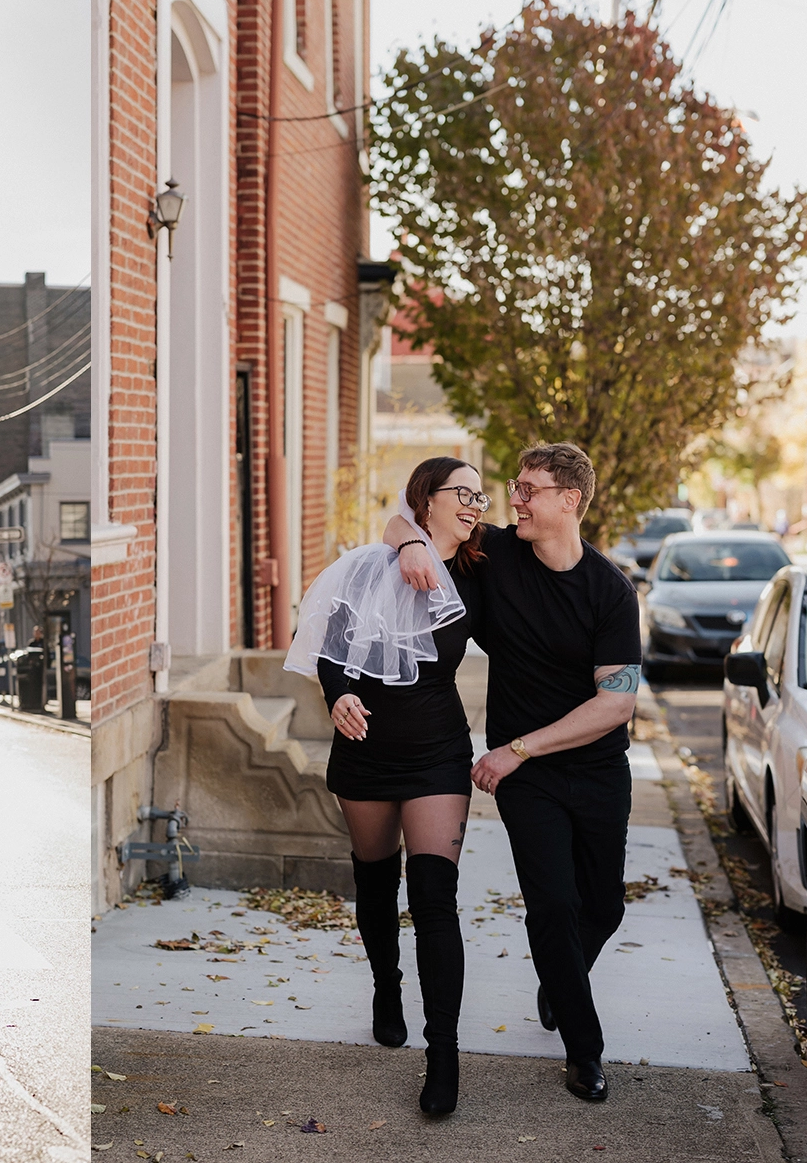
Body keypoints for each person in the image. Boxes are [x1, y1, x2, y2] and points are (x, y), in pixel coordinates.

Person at [391, 442, 640, 1104]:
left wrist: (518, 747)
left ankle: (558, 982)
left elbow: (615, 702)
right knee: (552, 906)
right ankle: (584, 1054)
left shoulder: (610, 593)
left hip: (592, 771)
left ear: (569, 500)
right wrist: (410, 547)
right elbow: (407, 518)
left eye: (529, 490)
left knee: (603, 907)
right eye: (514, 487)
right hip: (526, 782)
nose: (514, 501)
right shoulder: (495, 554)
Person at [285, 456, 485, 1117]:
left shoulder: (478, 570)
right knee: (374, 879)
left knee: (433, 897)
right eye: (464, 493)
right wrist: (337, 694)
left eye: (482, 495)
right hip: (365, 753)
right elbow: (331, 650)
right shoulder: (366, 566)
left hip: (437, 756)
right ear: (428, 499)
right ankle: (384, 984)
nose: (476, 504)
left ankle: (444, 1054)